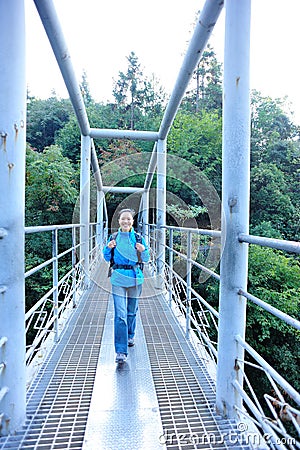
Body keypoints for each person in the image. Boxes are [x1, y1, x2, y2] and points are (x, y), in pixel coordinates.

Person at [103, 208, 150, 364]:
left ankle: (130, 335)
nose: (126, 221)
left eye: (129, 219)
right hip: (118, 279)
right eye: (123, 219)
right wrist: (108, 248)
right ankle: (121, 351)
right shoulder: (114, 237)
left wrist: (143, 251)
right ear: (119, 221)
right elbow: (106, 257)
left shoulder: (137, 238)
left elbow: (147, 258)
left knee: (131, 312)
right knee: (120, 315)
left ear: (132, 221)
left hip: (136, 278)